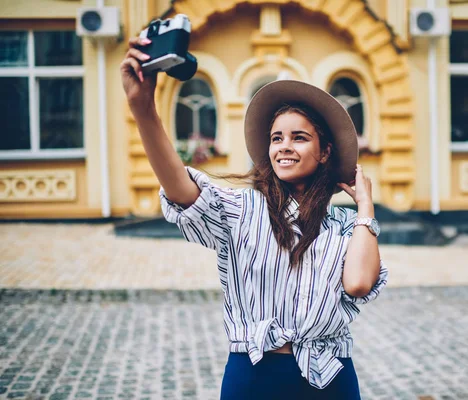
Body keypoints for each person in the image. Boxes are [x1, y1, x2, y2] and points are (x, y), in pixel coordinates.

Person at [121, 36, 388, 400]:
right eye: (276, 138)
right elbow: (181, 189)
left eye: (299, 138)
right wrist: (143, 108)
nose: (284, 147)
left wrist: (365, 206)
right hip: (255, 377)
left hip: (330, 379)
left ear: (325, 152)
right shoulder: (244, 210)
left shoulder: (345, 227)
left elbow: (357, 283)